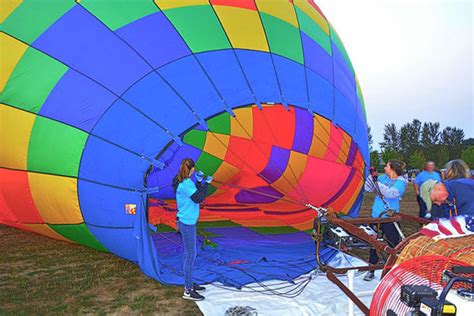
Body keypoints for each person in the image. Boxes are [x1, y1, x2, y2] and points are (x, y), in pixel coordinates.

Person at [172, 158, 213, 301]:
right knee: (190, 255)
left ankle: (189, 283)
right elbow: (198, 198)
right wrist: (205, 184)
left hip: (186, 222)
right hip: (187, 223)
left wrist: (200, 183)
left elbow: (193, 194)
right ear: (192, 170)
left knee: (189, 254)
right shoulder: (186, 184)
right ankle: (188, 291)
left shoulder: (182, 181)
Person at [363, 160, 407, 281]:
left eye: (387, 166)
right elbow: (368, 188)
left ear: (393, 169)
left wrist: (377, 182)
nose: (385, 168)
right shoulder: (382, 178)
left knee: (394, 245)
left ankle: (394, 272)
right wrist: (371, 177)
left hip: (390, 218)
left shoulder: (401, 182)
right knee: (373, 243)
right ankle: (371, 269)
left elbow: (390, 193)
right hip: (376, 216)